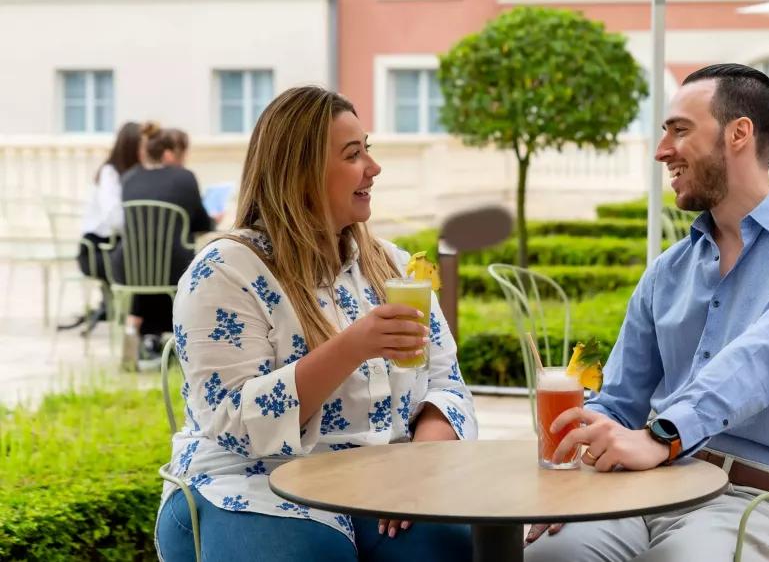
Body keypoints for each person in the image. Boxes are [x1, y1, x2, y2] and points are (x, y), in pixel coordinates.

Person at [524, 64, 769, 562]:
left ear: (738, 133)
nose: (662, 150)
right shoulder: (668, 270)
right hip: (643, 486)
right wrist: (579, 455)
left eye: (679, 130)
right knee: (551, 554)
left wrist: (664, 435)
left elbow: (762, 357)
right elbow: (620, 399)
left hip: (746, 500)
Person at [155, 86, 476, 562]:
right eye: (353, 154)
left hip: (375, 486)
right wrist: (350, 348)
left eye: (368, 149)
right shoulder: (224, 272)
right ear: (301, 173)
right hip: (248, 485)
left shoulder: (393, 266)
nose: (373, 167)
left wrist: (417, 466)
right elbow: (231, 423)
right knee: (310, 553)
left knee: (456, 545)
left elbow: (448, 385)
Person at [114, 127, 219, 364]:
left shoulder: (129, 178)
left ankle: (138, 330)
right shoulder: (184, 177)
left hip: (130, 267)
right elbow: (202, 223)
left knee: (150, 263)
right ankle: (169, 339)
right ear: (170, 154)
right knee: (169, 263)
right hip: (172, 266)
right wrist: (215, 220)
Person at [58, 121, 145, 332]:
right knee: (145, 267)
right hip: (97, 251)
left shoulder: (136, 174)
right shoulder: (110, 173)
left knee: (149, 263)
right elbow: (114, 218)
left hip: (116, 247)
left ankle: (138, 321)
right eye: (143, 146)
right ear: (132, 147)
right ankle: (137, 323)